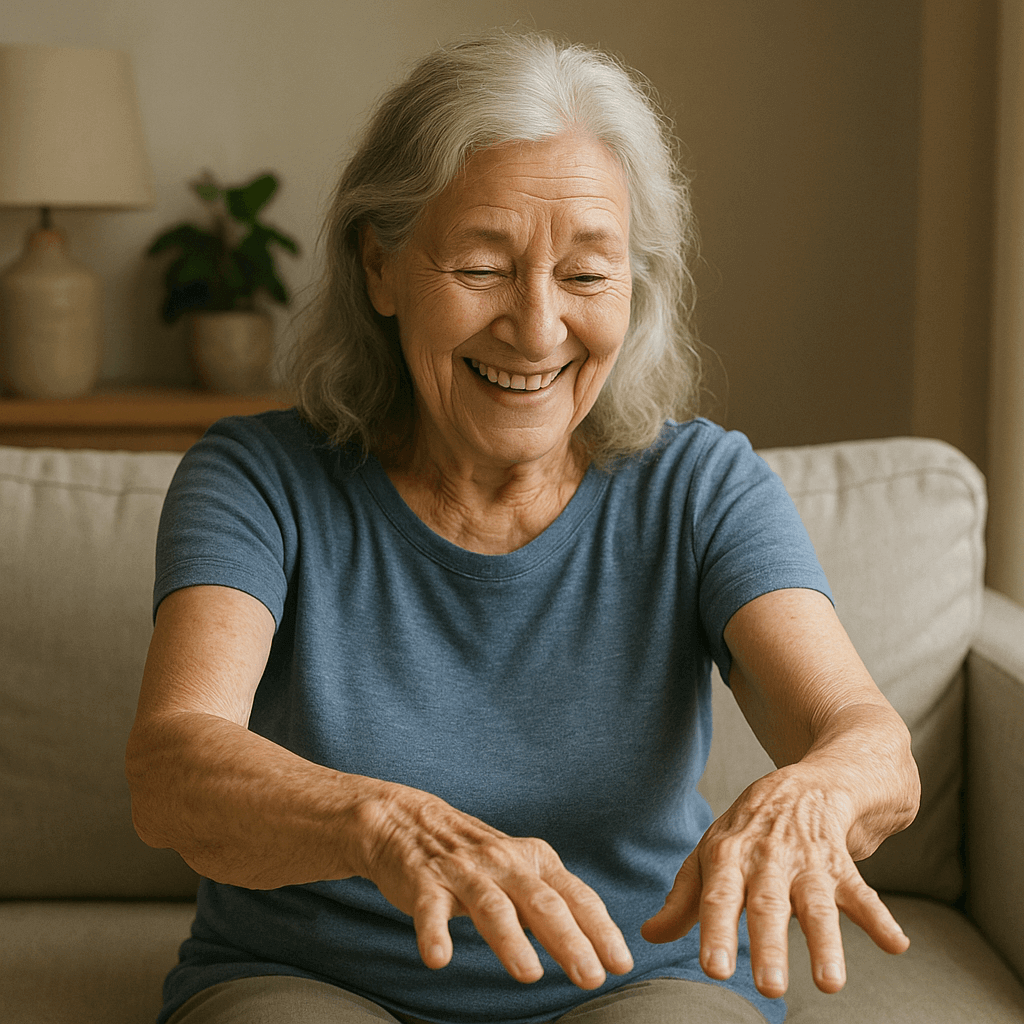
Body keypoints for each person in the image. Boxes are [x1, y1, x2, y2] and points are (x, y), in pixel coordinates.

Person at [125, 31, 921, 1024]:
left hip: (637, 979)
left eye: (586, 277)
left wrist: (811, 792)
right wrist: (381, 822)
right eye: (483, 266)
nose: (536, 328)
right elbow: (172, 766)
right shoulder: (259, 478)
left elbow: (868, 741)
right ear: (381, 268)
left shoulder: (701, 485)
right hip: (311, 980)